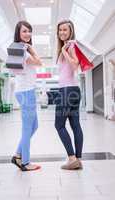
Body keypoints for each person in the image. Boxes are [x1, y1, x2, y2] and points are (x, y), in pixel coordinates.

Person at [11, 21, 42, 171]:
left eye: (29, 31)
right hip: (26, 91)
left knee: (34, 126)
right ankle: (25, 162)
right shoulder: (23, 50)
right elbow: (39, 62)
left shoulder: (19, 49)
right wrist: (32, 49)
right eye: (24, 31)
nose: (28, 34)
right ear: (18, 33)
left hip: (25, 90)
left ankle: (18, 155)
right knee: (27, 127)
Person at [55, 19, 83, 170]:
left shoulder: (71, 46)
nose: (62, 32)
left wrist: (65, 51)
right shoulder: (68, 46)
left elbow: (74, 66)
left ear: (71, 31)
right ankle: (78, 160)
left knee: (59, 125)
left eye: (65, 30)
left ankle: (72, 158)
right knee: (75, 125)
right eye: (60, 30)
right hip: (72, 90)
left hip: (67, 91)